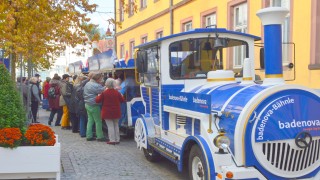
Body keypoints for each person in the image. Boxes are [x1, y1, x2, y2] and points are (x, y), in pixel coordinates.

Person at [96, 78, 125, 145]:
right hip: (116, 111)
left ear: (106, 84)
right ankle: (117, 139)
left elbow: (97, 100)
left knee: (110, 126)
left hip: (107, 112)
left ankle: (112, 140)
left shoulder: (104, 93)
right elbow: (122, 100)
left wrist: (98, 95)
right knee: (116, 125)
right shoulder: (117, 92)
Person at [83, 72, 106, 141]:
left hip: (87, 104)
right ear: (98, 79)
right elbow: (102, 91)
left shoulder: (87, 83)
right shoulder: (96, 85)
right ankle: (100, 136)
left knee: (90, 120)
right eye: (101, 79)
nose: (101, 80)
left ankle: (89, 136)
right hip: (94, 105)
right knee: (98, 121)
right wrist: (106, 86)